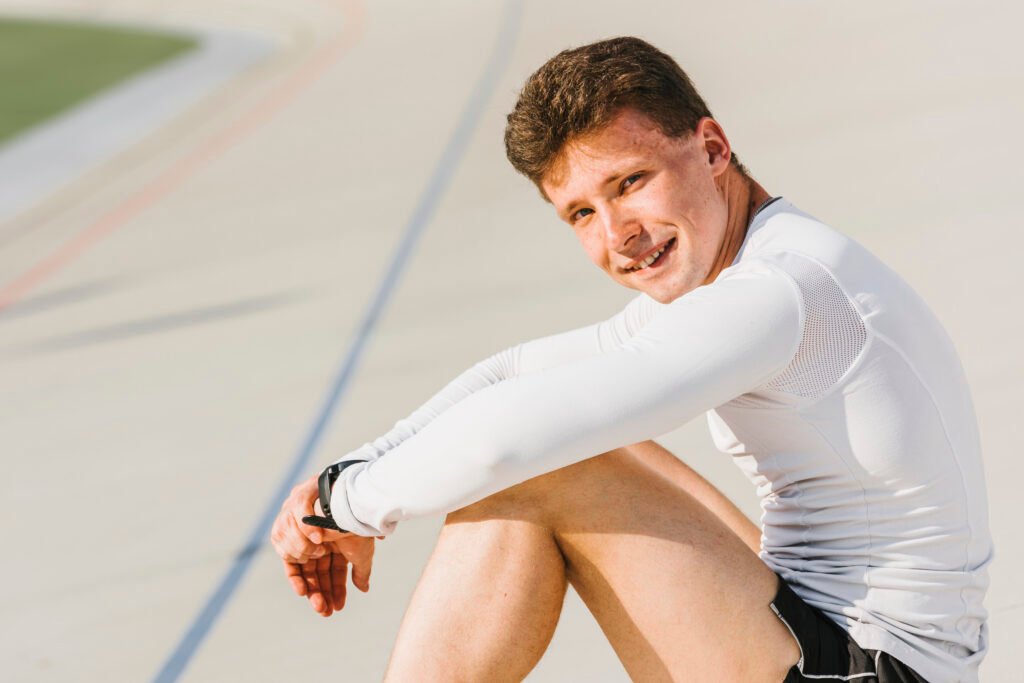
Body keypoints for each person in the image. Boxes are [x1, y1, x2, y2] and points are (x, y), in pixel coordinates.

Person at [269, 37, 991, 682]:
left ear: (712, 149)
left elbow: (503, 442)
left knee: (545, 464)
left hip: (871, 670)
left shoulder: (776, 292)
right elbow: (516, 372)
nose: (619, 234)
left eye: (630, 183)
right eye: (583, 213)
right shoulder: (754, 262)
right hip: (823, 629)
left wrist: (346, 507)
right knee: (582, 438)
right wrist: (349, 470)